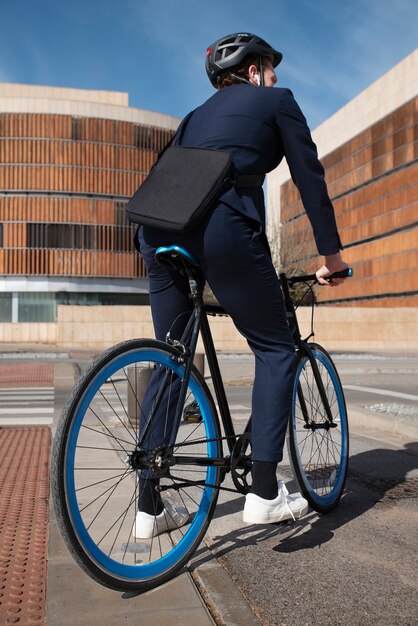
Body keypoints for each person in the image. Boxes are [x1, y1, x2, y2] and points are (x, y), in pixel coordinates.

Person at [134, 32, 348, 537]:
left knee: (172, 358)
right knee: (276, 349)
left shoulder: (192, 118)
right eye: (271, 68)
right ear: (254, 72)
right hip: (221, 227)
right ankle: (265, 492)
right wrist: (332, 257)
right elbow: (309, 177)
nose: (275, 78)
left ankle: (148, 505)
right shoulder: (277, 101)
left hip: (156, 231)